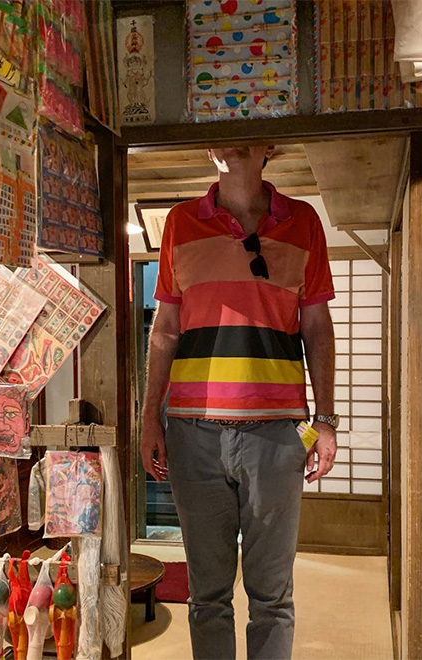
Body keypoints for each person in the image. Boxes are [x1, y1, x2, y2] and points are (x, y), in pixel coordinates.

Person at [141, 145, 338, 660]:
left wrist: (327, 420)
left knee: (272, 596)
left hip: (278, 434)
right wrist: (148, 418)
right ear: (208, 146)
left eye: (249, 130)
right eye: (221, 132)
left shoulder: (304, 222)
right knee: (207, 596)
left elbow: (317, 327)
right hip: (192, 431)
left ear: (270, 144)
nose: (234, 141)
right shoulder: (181, 223)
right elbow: (164, 331)